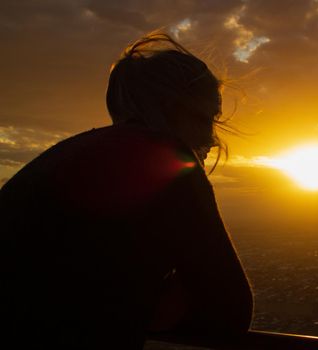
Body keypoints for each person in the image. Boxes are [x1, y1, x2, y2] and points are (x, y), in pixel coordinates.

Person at [0, 32, 253, 350]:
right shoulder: (167, 160)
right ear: (176, 109)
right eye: (208, 118)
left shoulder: (69, 153)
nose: (213, 138)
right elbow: (230, 310)